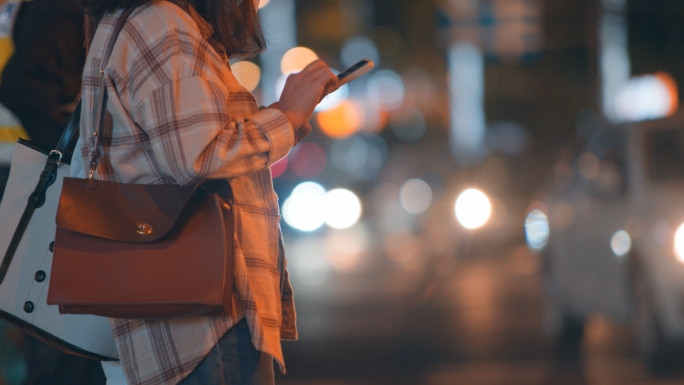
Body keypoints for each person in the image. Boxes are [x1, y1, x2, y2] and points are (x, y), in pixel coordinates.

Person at [77, 0, 337, 384]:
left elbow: (186, 144)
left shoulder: (141, 20)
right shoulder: (162, 22)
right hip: (205, 319)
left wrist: (288, 117)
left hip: (189, 312)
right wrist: (286, 115)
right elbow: (197, 155)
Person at [0, 0, 107, 384]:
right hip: (32, 180)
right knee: (57, 330)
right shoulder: (61, 10)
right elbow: (23, 84)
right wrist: (76, 154)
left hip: (21, 174)